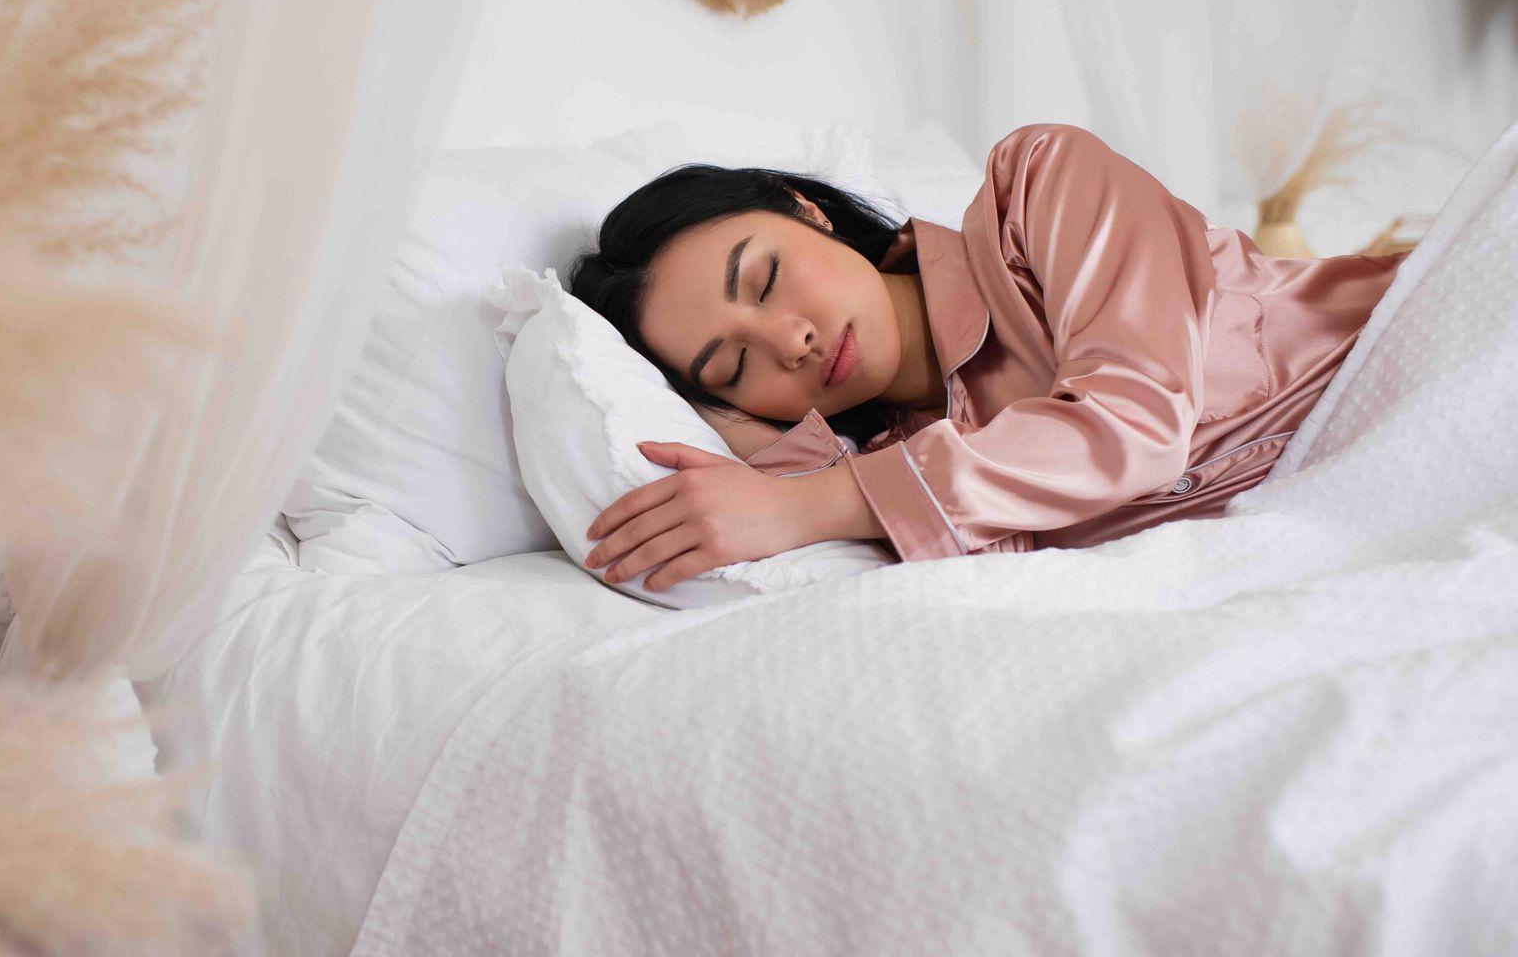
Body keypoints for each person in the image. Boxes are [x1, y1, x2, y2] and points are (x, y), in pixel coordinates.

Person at [566, 122, 1412, 593]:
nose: (790, 340)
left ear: (806, 211)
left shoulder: (1039, 187)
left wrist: (816, 502)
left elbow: (1138, 424)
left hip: (1421, 351)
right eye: (734, 368)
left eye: (768, 278)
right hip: (1380, 516)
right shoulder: (892, 470)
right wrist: (764, 456)